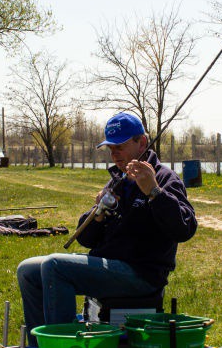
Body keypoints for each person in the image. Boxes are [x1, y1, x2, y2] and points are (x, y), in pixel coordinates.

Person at [16, 111, 197, 334]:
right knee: (27, 271)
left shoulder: (163, 179)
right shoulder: (118, 181)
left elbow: (185, 229)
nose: (115, 155)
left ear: (141, 143)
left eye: (119, 147)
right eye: (111, 149)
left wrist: (154, 192)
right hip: (108, 264)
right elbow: (85, 239)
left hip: (141, 274)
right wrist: (99, 213)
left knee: (55, 266)